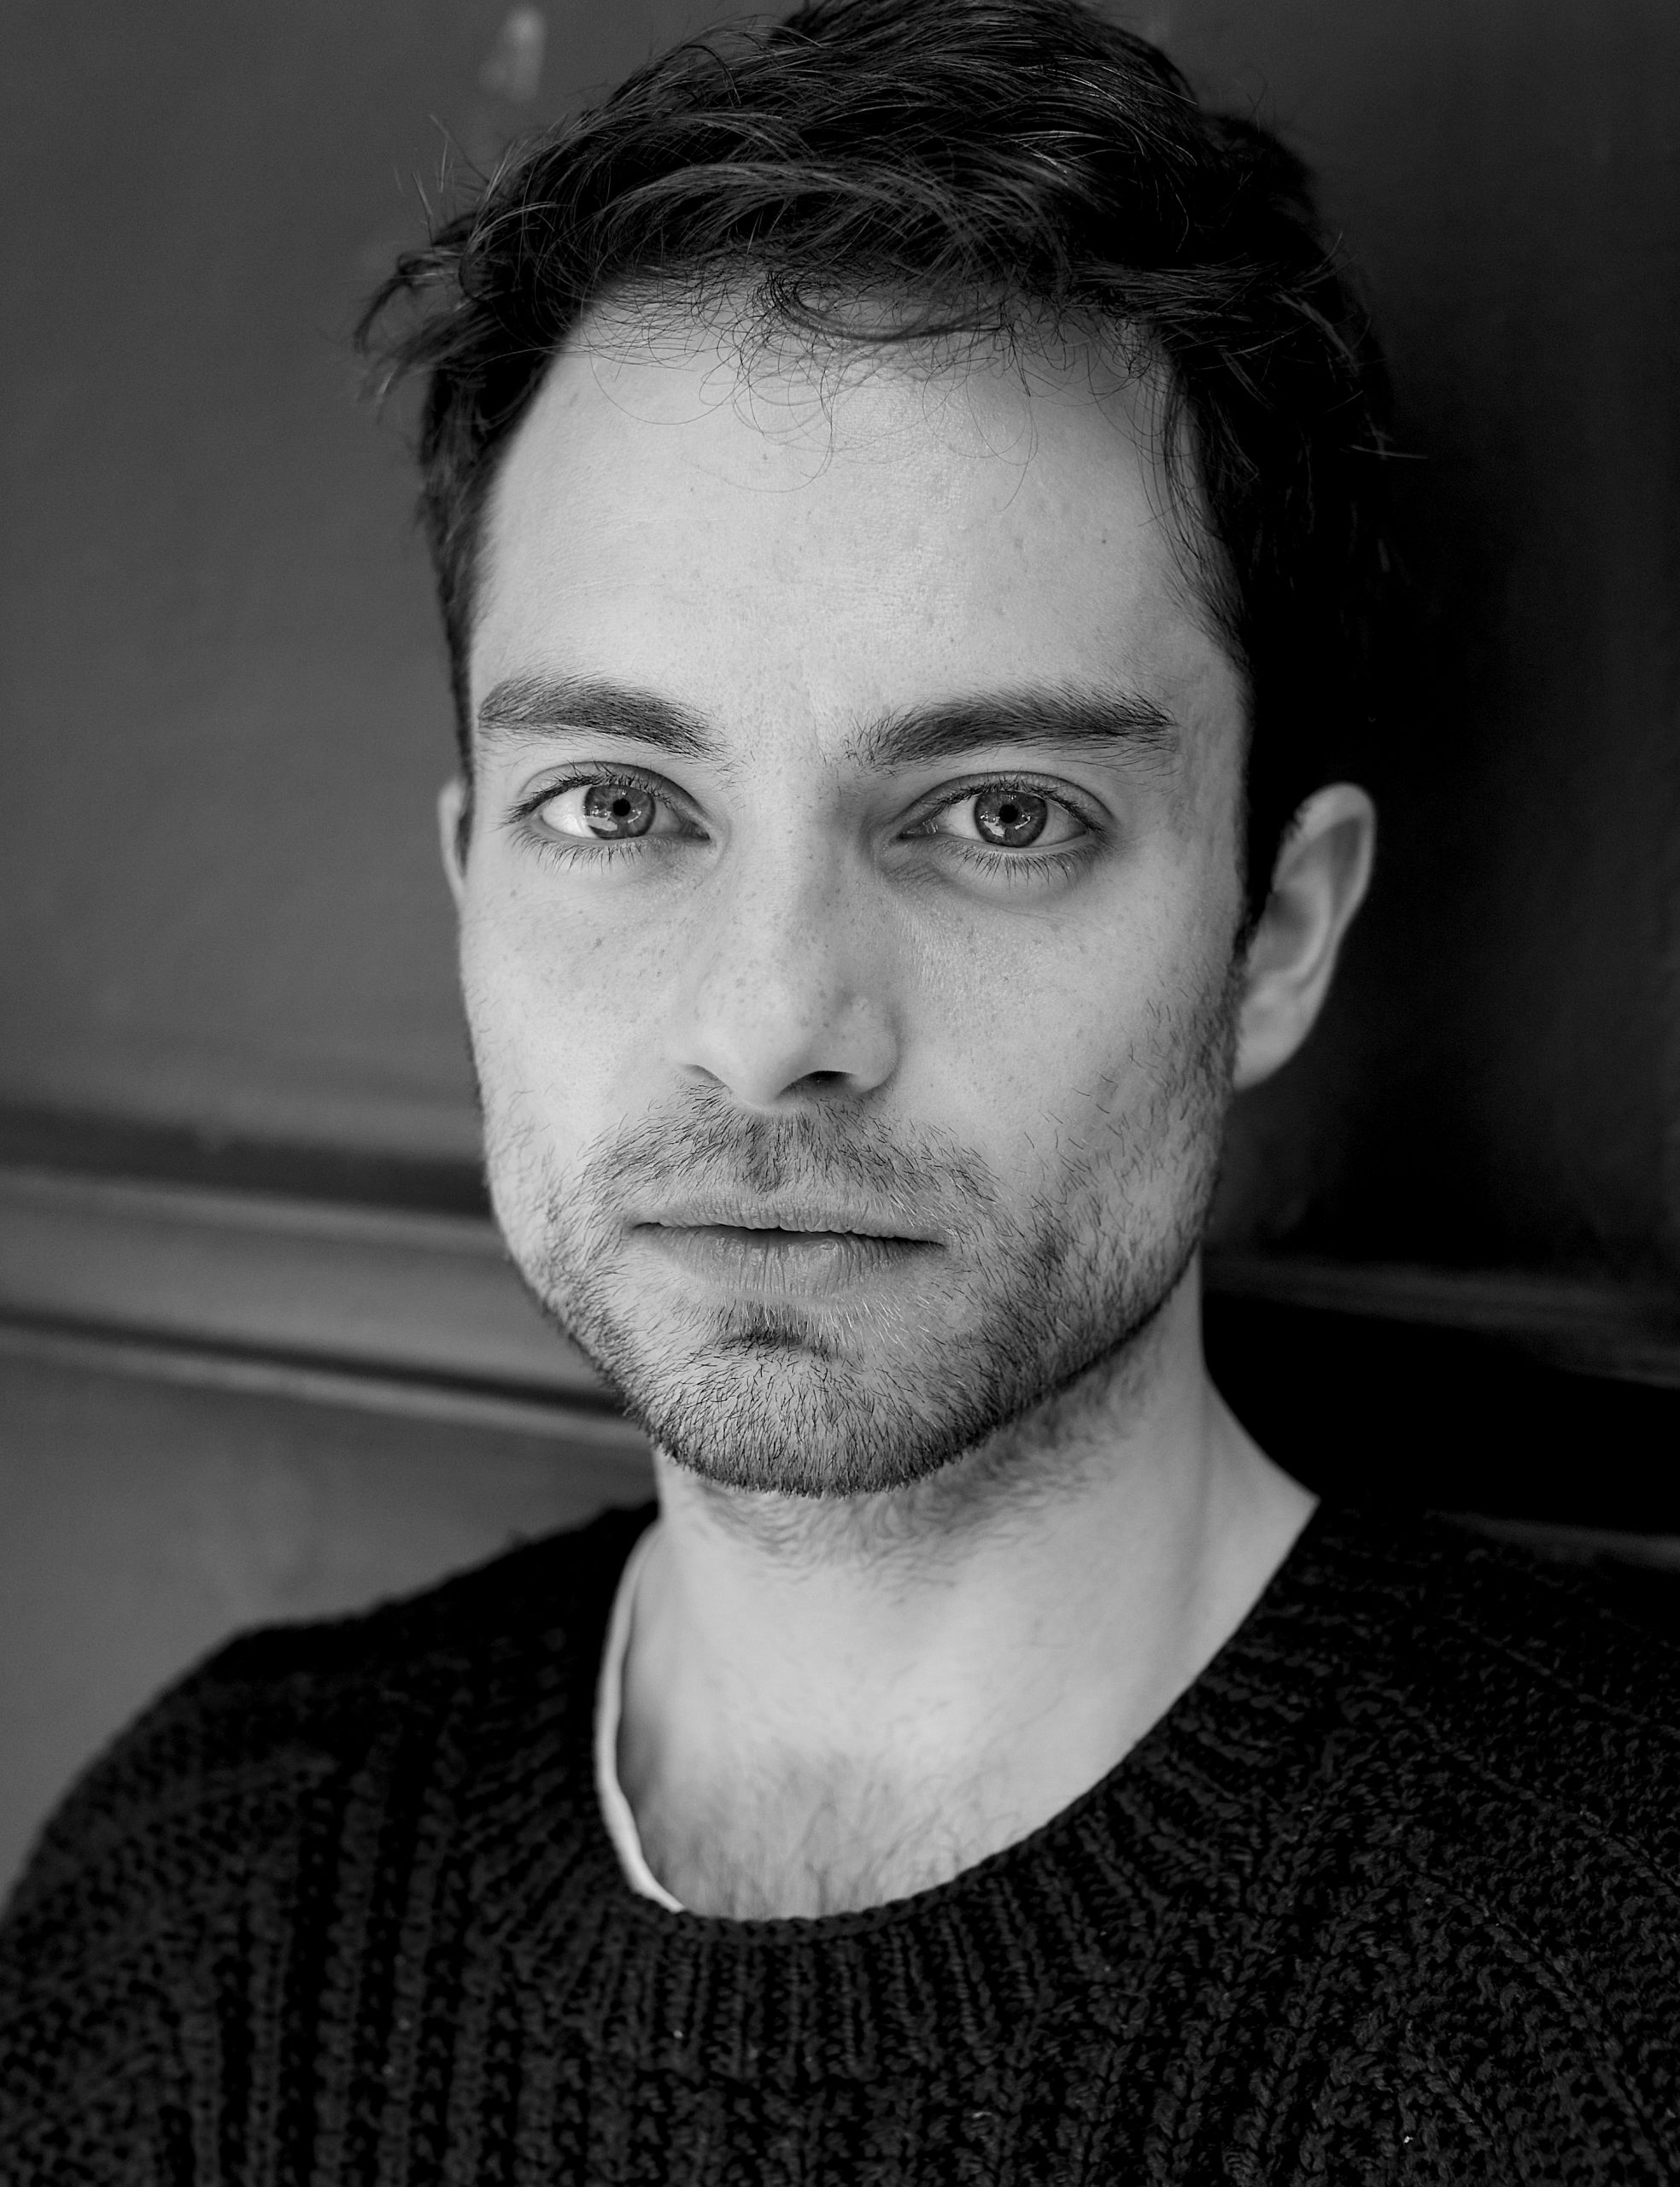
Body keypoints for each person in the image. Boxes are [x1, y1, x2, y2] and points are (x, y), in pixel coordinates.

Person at [2, 0, 1676, 2178]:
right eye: (619, 804)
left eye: (1001, 814)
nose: (774, 1015)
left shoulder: (1614, 1980)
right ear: (472, 880)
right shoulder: (196, 1907)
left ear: (1276, 928)